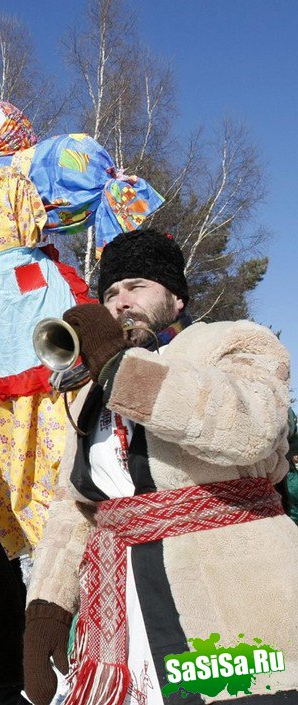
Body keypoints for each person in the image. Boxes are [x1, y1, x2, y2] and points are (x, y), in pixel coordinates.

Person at [23, 229, 298, 705]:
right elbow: (77, 505)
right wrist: (47, 607)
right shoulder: (91, 389)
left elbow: (250, 429)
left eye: (136, 286)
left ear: (176, 298)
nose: (120, 302)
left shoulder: (232, 340)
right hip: (123, 602)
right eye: (109, 293)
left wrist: (118, 366)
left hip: (232, 589)